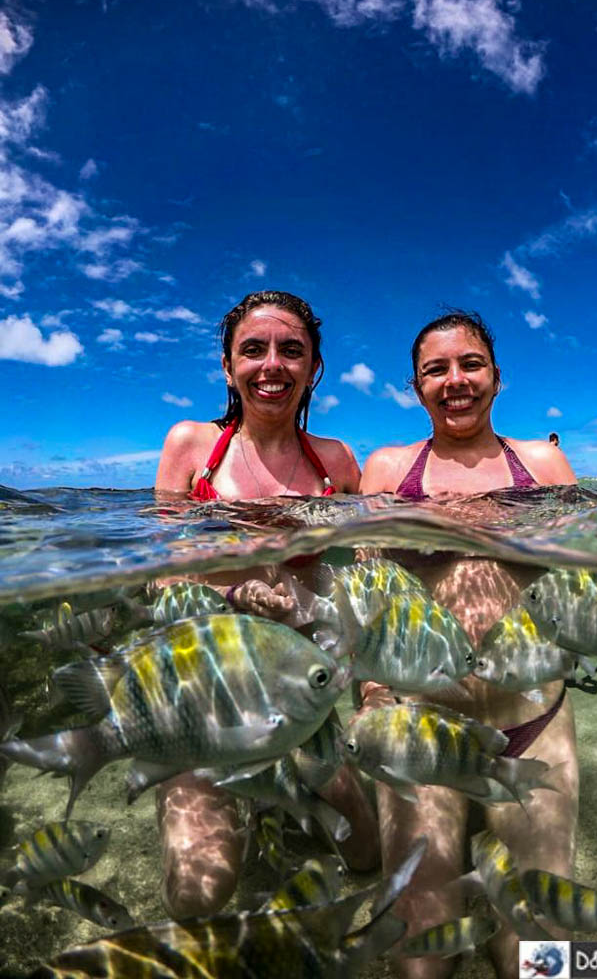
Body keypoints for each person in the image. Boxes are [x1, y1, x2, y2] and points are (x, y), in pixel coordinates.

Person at [359, 310, 597, 979]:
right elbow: (368, 602)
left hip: (533, 727)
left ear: (496, 377)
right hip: (424, 730)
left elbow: (594, 597)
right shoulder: (390, 470)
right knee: (420, 963)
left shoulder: (541, 464)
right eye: (436, 369)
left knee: (537, 959)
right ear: (415, 386)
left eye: (470, 364)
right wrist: (371, 696)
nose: (455, 380)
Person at [154, 289, 377, 918]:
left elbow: (363, 580)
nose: (272, 364)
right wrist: (231, 593)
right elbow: (159, 579)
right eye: (253, 350)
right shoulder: (192, 447)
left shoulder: (335, 461)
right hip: (207, 685)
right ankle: (199, 780)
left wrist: (371, 693)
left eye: (291, 350)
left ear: (312, 367)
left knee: (366, 852)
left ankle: (274, 795)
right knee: (196, 897)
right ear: (228, 367)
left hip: (298, 689)